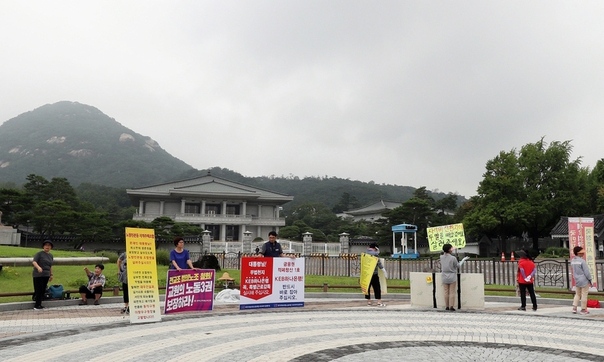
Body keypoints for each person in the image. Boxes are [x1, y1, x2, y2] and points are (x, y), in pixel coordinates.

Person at [440, 243, 469, 311]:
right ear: (449, 250)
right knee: (452, 292)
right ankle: (451, 306)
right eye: (451, 248)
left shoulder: (441, 257)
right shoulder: (453, 258)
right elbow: (458, 266)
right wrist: (463, 260)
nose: (452, 249)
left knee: (446, 292)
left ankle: (446, 306)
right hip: (452, 276)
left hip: (444, 276)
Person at [32, 240, 54, 310]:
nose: (47, 247)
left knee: (43, 289)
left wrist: (51, 274)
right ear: (43, 246)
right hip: (38, 275)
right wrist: (38, 267)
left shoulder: (50, 255)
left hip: (46, 275)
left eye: (49, 245)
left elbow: (50, 266)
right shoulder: (39, 254)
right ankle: (37, 305)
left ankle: (39, 304)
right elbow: (34, 262)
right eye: (46, 245)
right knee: (38, 289)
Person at [571, 246, 592, 315]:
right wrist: (590, 279)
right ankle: (583, 309)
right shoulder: (582, 261)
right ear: (578, 253)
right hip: (584, 280)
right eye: (582, 253)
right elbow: (586, 272)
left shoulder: (573, 261)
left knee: (577, 294)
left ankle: (574, 308)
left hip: (577, 280)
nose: (583, 254)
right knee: (584, 294)